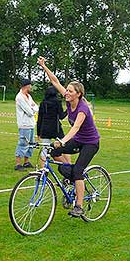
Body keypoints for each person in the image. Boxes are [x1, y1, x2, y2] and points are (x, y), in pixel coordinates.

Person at [37, 56, 100, 218]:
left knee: (78, 170)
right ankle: (69, 176)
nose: (66, 92)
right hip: (78, 140)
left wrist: (62, 141)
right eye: (67, 90)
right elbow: (55, 81)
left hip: (90, 143)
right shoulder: (68, 98)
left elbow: (76, 128)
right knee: (52, 153)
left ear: (78, 94)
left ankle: (79, 206)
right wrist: (44, 66)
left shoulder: (83, 108)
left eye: (70, 91)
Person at [36, 86, 67, 164]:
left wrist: (38, 133)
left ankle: (43, 168)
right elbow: (61, 116)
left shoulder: (43, 103)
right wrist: (68, 110)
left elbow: (39, 119)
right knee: (64, 145)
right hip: (56, 128)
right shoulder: (57, 102)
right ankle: (68, 164)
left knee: (44, 149)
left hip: (45, 129)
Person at [15, 78, 39, 171]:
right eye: (30, 85)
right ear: (27, 86)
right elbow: (29, 111)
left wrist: (33, 108)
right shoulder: (20, 97)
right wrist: (32, 109)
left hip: (32, 123)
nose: (31, 87)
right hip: (24, 124)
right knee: (23, 143)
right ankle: (18, 164)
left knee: (31, 143)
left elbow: (35, 107)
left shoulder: (29, 96)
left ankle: (26, 162)